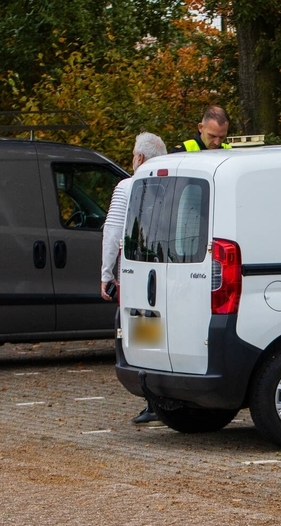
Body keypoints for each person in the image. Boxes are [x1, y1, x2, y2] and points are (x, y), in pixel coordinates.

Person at [100, 132, 168, 424]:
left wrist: (106, 274)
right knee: (164, 335)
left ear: (139, 158)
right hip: (171, 272)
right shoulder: (172, 187)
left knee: (142, 335)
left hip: (137, 273)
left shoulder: (128, 187)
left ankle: (152, 400)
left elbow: (113, 231)